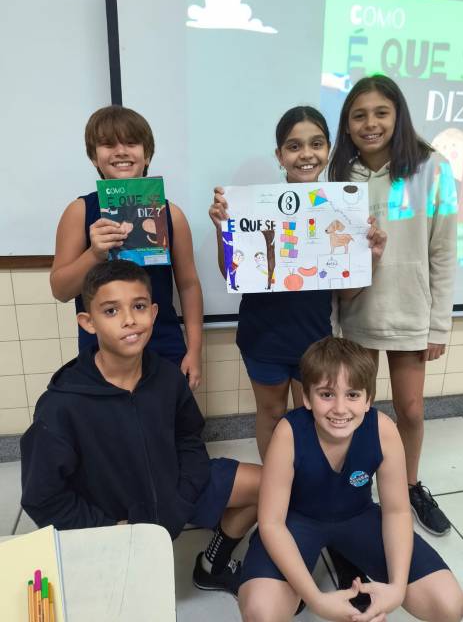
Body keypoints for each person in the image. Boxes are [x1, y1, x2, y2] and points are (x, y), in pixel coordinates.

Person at [21, 260, 260, 595]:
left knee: (267, 485)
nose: (129, 319)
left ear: (154, 312)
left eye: (139, 306)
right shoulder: (61, 406)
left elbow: (189, 438)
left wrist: (182, 495)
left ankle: (212, 566)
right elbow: (42, 497)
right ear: (88, 322)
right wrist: (108, 529)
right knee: (134, 599)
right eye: (111, 311)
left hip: (175, 492)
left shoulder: (167, 376)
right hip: (116, 519)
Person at [238, 337, 463, 622]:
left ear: (368, 399)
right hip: (297, 522)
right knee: (261, 612)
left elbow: (396, 511)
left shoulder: (383, 429)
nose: (340, 408)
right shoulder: (288, 432)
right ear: (306, 397)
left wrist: (396, 589)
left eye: (353, 395)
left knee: (449, 605)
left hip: (358, 518)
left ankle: (347, 557)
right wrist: (316, 599)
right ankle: (300, 584)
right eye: (326, 394)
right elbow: (272, 522)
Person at [209, 106, 386, 460]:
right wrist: (223, 231)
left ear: (328, 150)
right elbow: (233, 274)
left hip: (314, 339)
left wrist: (371, 257)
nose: (306, 154)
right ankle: (275, 482)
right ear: (279, 155)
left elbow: (348, 292)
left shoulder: (342, 208)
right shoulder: (253, 206)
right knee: (271, 414)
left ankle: (308, 482)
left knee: (311, 417)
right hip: (263, 334)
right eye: (294, 146)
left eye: (316, 144)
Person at [329, 75, 458, 536]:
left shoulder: (433, 168)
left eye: (381, 113)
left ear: (398, 116)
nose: (371, 124)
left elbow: (443, 251)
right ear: (347, 125)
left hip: (410, 312)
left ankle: (408, 486)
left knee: (411, 410)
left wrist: (438, 326)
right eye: (359, 115)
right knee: (355, 412)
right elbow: (330, 257)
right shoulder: (340, 177)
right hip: (357, 315)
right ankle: (356, 490)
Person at [50, 105, 203, 390]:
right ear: (94, 156)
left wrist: (194, 350)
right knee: (108, 417)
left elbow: (188, 285)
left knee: (166, 414)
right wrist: (94, 254)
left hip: (163, 344)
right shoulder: (80, 211)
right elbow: (60, 290)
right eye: (108, 144)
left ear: (147, 154)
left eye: (131, 143)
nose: (121, 151)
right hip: (102, 349)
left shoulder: (172, 214)